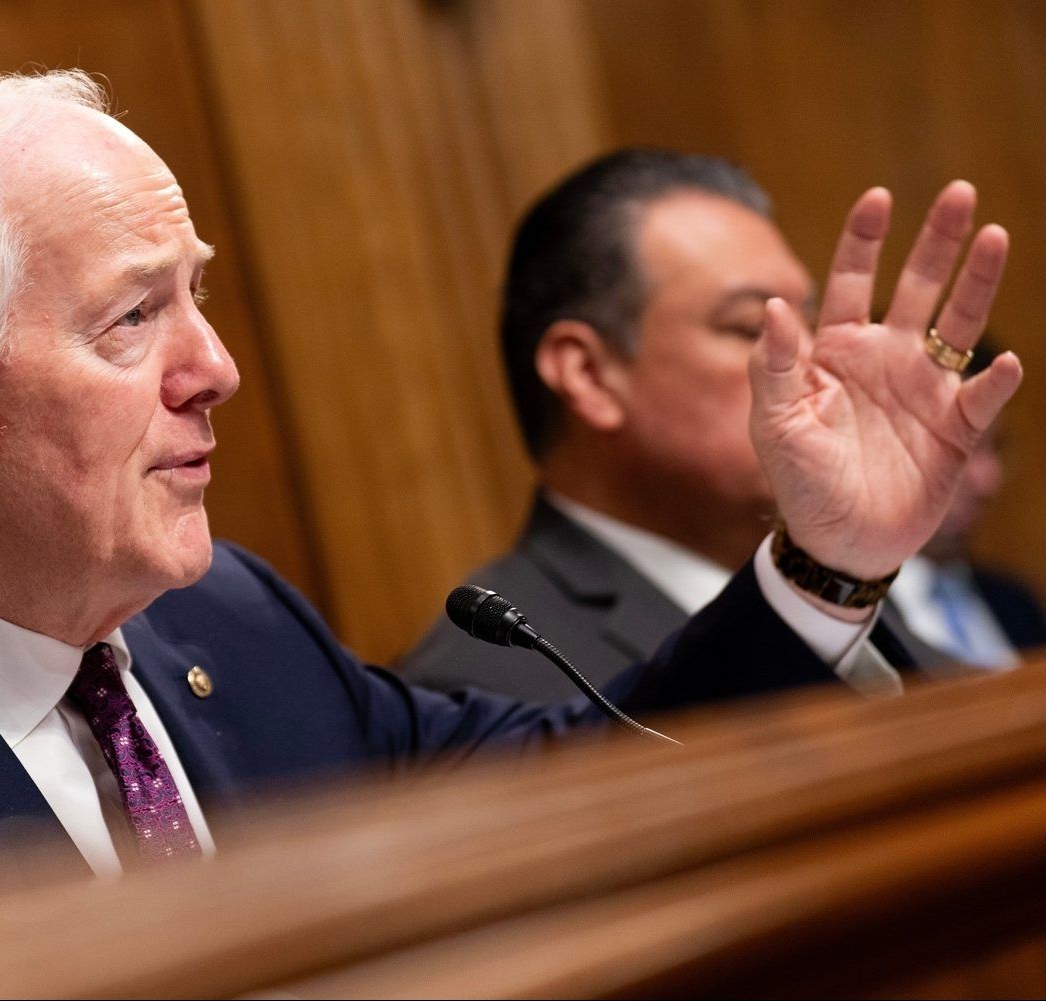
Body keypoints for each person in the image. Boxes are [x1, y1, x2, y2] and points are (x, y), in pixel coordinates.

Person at [0, 72, 1020, 910]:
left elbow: (594, 778)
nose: (213, 367)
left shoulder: (230, 621)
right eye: (130, 318)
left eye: (197, 296)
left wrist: (823, 560)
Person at [403, 149, 961, 700]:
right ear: (589, 375)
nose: (817, 369)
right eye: (751, 327)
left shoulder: (850, 603)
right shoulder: (493, 683)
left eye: (809, 325)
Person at [885, 342, 1046, 667]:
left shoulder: (1015, 601)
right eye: (961, 447)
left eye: (996, 447)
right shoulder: (841, 621)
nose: (988, 482)